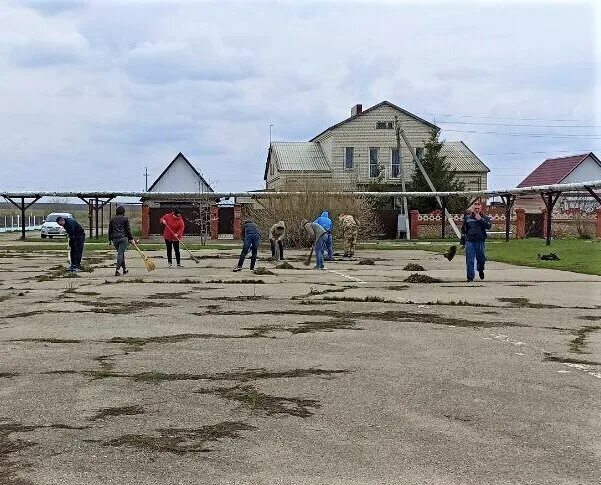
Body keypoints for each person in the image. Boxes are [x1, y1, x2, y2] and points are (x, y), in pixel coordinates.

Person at [461, 199, 491, 282]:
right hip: (470, 241)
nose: (476, 210)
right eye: (475, 209)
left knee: (481, 259)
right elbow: (463, 229)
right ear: (472, 209)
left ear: (480, 209)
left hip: (480, 241)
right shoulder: (468, 218)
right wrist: (463, 241)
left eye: (478, 208)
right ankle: (470, 277)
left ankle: (480, 269)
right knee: (470, 259)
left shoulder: (485, 217)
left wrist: (480, 219)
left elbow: (488, 226)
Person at [108, 205, 135, 276]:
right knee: (120, 253)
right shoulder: (125, 219)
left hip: (115, 239)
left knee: (121, 253)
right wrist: (131, 239)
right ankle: (117, 270)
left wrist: (109, 239)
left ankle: (124, 270)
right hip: (123, 238)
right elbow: (128, 230)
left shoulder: (112, 219)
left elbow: (110, 230)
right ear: (123, 212)